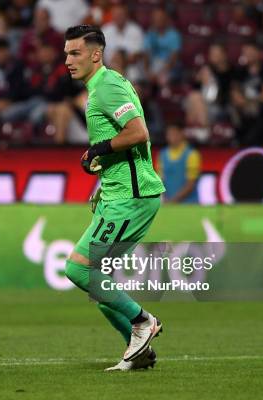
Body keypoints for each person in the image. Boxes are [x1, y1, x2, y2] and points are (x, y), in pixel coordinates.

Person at [63, 25, 165, 371]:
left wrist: (99, 148)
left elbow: (138, 133)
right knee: (99, 285)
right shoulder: (105, 85)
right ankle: (138, 354)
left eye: (75, 53)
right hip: (118, 193)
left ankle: (142, 322)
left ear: (96, 54)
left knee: (78, 268)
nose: (68, 60)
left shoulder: (106, 87)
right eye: (66, 54)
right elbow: (120, 141)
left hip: (132, 198)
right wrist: (100, 174)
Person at [156, 123, 201, 203]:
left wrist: (173, 200)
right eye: (169, 134)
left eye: (175, 134)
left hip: (190, 205)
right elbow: (160, 180)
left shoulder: (192, 154)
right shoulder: (162, 155)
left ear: (181, 134)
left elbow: (191, 184)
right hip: (169, 205)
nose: (172, 137)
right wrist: (164, 198)